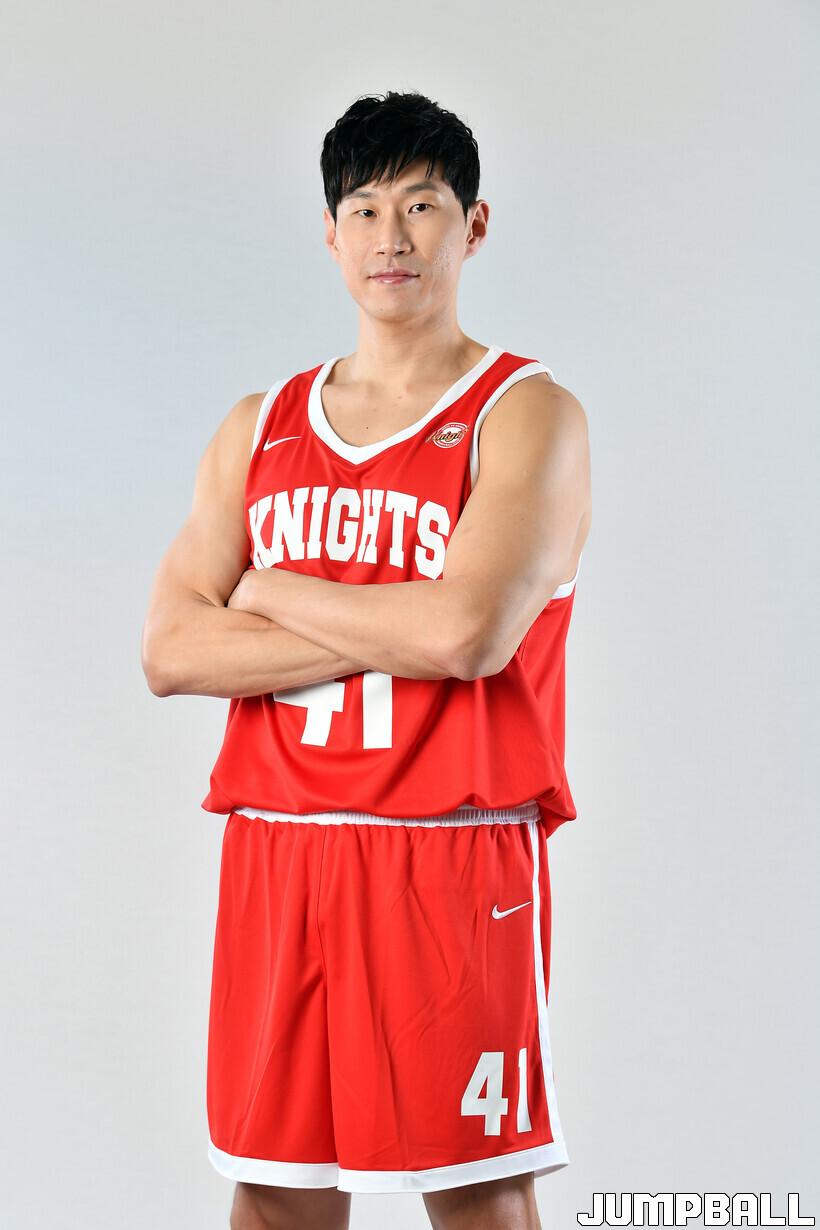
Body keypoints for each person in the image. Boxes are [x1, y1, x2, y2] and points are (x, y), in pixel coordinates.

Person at [141, 90, 591, 1230]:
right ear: (331, 234)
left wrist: (266, 588)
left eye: (422, 205)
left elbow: (466, 634)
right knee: (274, 1193)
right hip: (278, 847)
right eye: (365, 209)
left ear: (473, 225)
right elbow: (171, 650)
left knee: (478, 1195)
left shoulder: (525, 413)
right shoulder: (262, 423)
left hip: (453, 854)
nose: (392, 236)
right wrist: (392, 620)